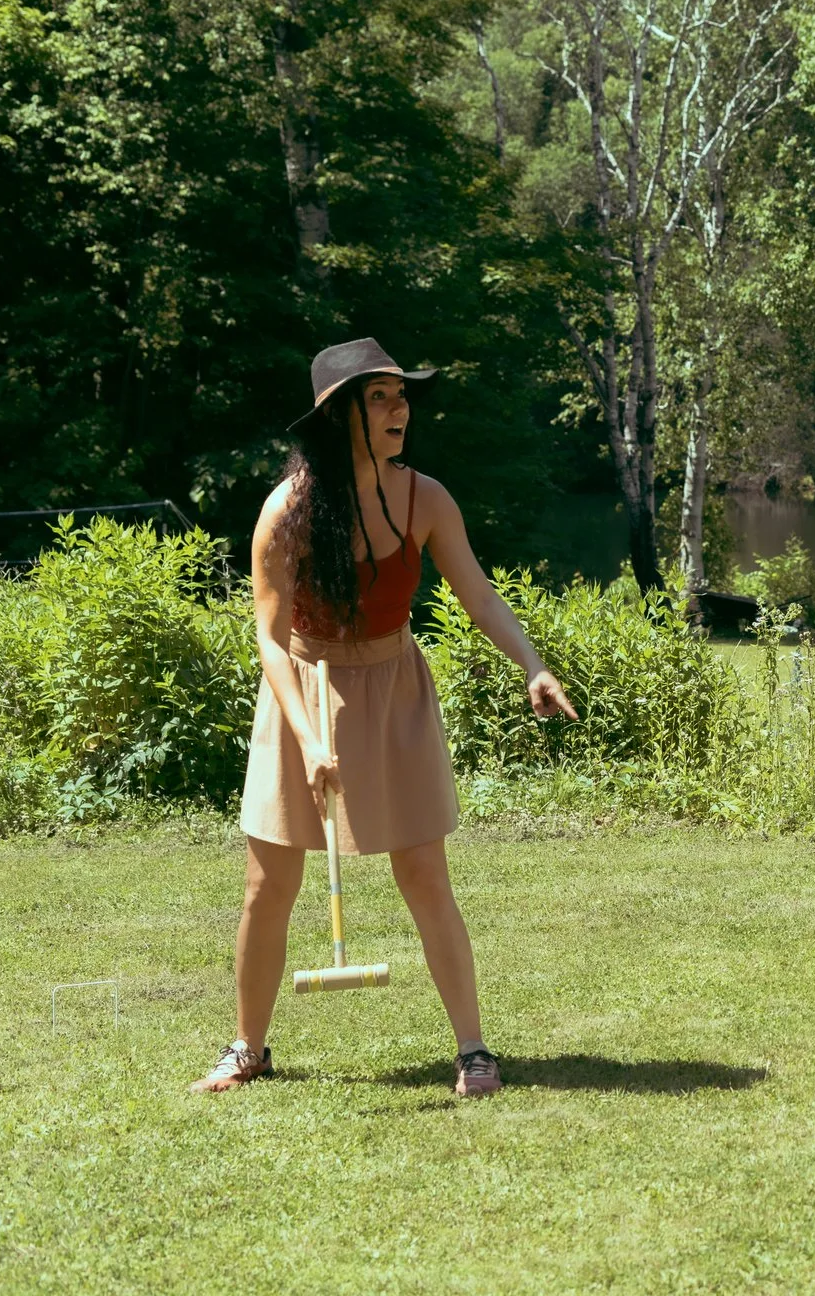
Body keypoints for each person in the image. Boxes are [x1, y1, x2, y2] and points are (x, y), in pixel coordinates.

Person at [191, 339, 578, 1098]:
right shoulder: (288, 512)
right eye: (380, 398)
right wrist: (306, 736)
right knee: (267, 882)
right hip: (303, 685)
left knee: (424, 870)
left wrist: (532, 662)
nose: (400, 409)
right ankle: (248, 1047)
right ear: (340, 416)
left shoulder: (424, 499)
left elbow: (479, 594)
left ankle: (472, 1050)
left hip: (393, 684)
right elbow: (269, 638)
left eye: (402, 396)